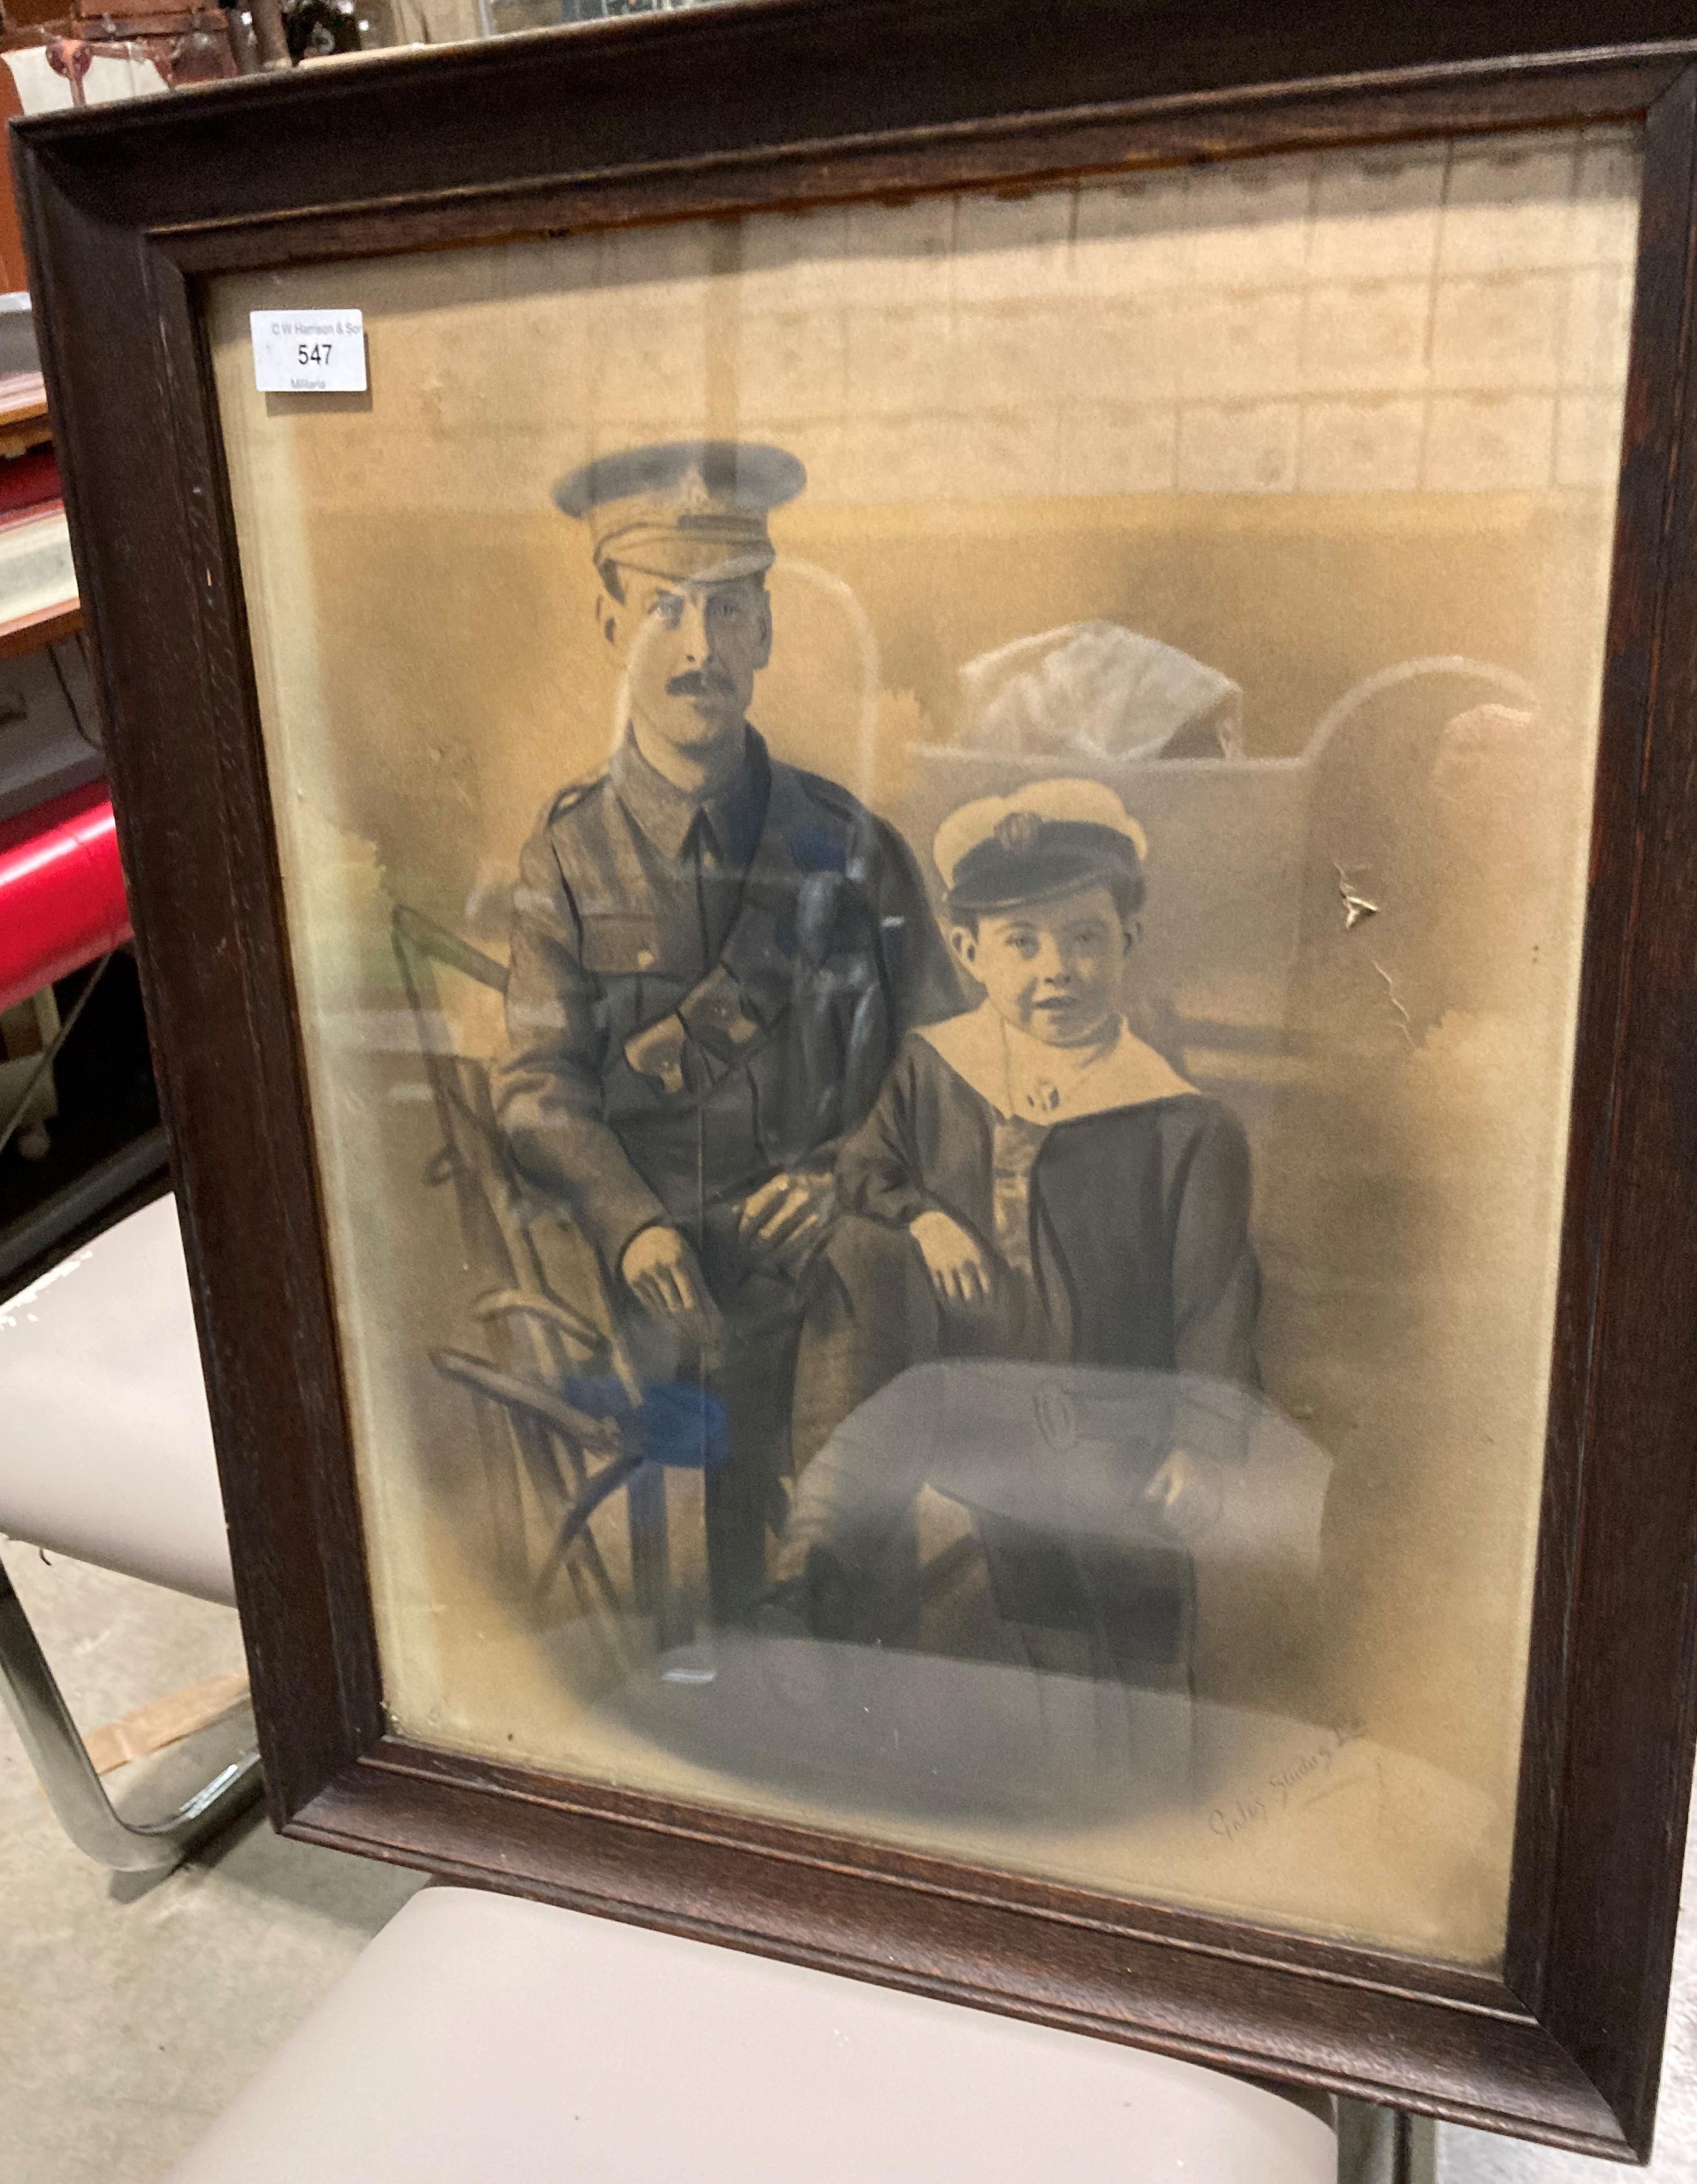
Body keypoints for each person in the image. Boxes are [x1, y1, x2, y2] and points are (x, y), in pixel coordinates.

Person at [492, 439, 956, 1621]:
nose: (697, 651)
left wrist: (847, 1171)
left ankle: (828, 1600)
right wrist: (632, 1222)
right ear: (612, 629)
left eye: (728, 613)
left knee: (866, 1261)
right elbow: (538, 1090)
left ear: (766, 632)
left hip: (819, 1224)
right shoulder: (564, 864)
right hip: (665, 1249)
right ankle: (755, 1624)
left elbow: (945, 1058)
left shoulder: (849, 848)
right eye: (664, 612)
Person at [776, 779, 1262, 1674]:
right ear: (968, 952)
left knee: (1128, 1609)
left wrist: (1200, 1443)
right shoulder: (935, 1071)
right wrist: (924, 1218)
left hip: (1111, 1408)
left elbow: (1213, 1299)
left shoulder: (1181, 1123)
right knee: (1035, 1617)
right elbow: (863, 1168)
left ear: (1129, 942)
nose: (1056, 970)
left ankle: (1145, 1764)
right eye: (1021, 943)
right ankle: (827, 1556)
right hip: (975, 1392)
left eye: (1086, 938)